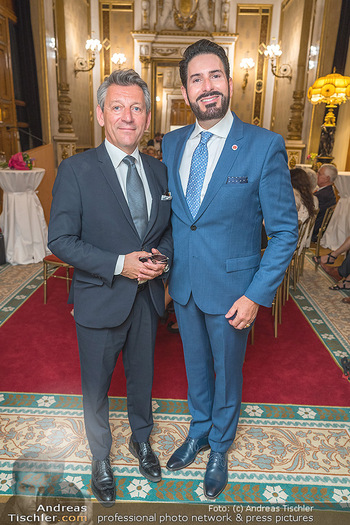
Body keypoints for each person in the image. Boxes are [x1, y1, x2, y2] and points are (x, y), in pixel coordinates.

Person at [162, 39, 298, 500]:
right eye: (196, 79)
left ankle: (220, 444)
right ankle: (199, 429)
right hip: (184, 286)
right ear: (185, 92)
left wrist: (257, 294)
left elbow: (283, 233)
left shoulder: (263, 146)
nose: (207, 87)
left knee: (227, 371)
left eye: (214, 76)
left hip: (235, 291)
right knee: (195, 367)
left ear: (230, 81)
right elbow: (176, 218)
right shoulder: (171, 142)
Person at [48, 69, 172, 507]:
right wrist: (120, 264)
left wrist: (163, 259)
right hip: (100, 298)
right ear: (100, 114)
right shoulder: (77, 169)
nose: (127, 116)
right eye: (117, 107)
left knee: (142, 381)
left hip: (147, 301)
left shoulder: (159, 171)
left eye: (136, 108)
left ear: (147, 116)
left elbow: (168, 231)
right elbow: (60, 240)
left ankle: (143, 442)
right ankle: (100, 457)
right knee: (96, 386)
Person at [311, 163, 338, 242]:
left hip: (313, 230)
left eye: (319, 173)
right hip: (318, 227)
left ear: (327, 178)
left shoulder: (322, 195)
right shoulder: (328, 190)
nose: (316, 174)